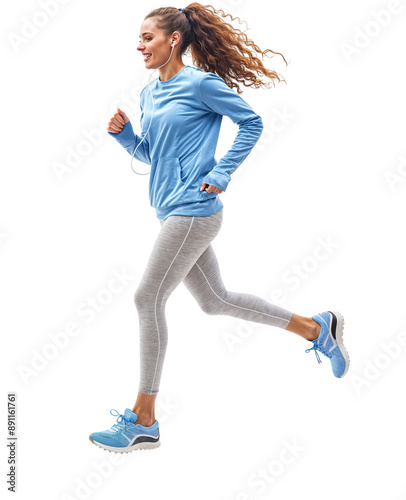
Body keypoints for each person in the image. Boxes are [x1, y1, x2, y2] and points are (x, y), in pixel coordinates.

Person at [89, 3, 350, 454]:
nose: (139, 45)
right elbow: (155, 155)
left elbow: (252, 122)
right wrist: (127, 137)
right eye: (138, 38)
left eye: (147, 37)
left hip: (195, 211)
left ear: (173, 39)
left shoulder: (201, 85)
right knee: (215, 302)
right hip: (170, 212)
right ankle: (316, 328)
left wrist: (224, 171)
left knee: (146, 297)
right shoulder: (150, 93)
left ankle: (144, 418)